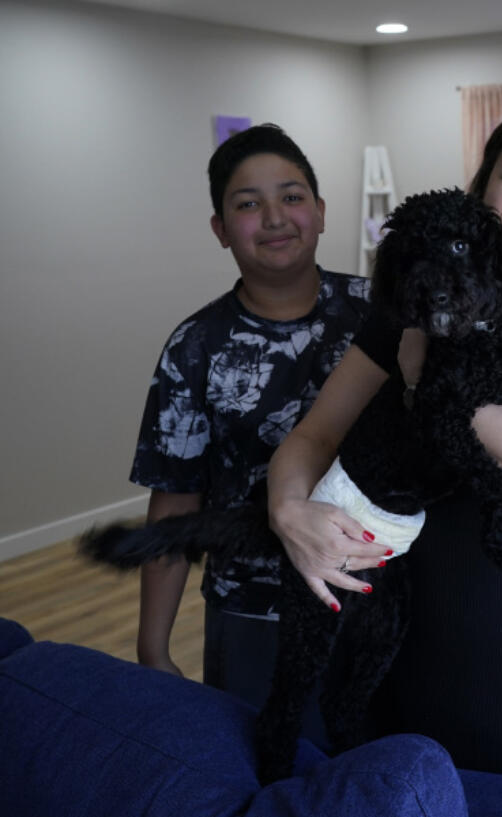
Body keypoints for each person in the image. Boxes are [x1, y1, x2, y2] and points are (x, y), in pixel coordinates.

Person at [266, 102, 502, 815]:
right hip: (416, 639)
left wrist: (426, 374)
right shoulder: (411, 300)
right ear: (481, 190)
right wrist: (291, 512)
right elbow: (313, 437)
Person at [129, 124, 371, 735]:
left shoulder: (384, 313)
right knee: (267, 784)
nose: (274, 217)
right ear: (220, 229)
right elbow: (176, 501)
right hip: (255, 615)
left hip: (384, 601)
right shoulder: (195, 347)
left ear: (319, 211)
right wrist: (153, 649)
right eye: (247, 204)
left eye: (291, 197)